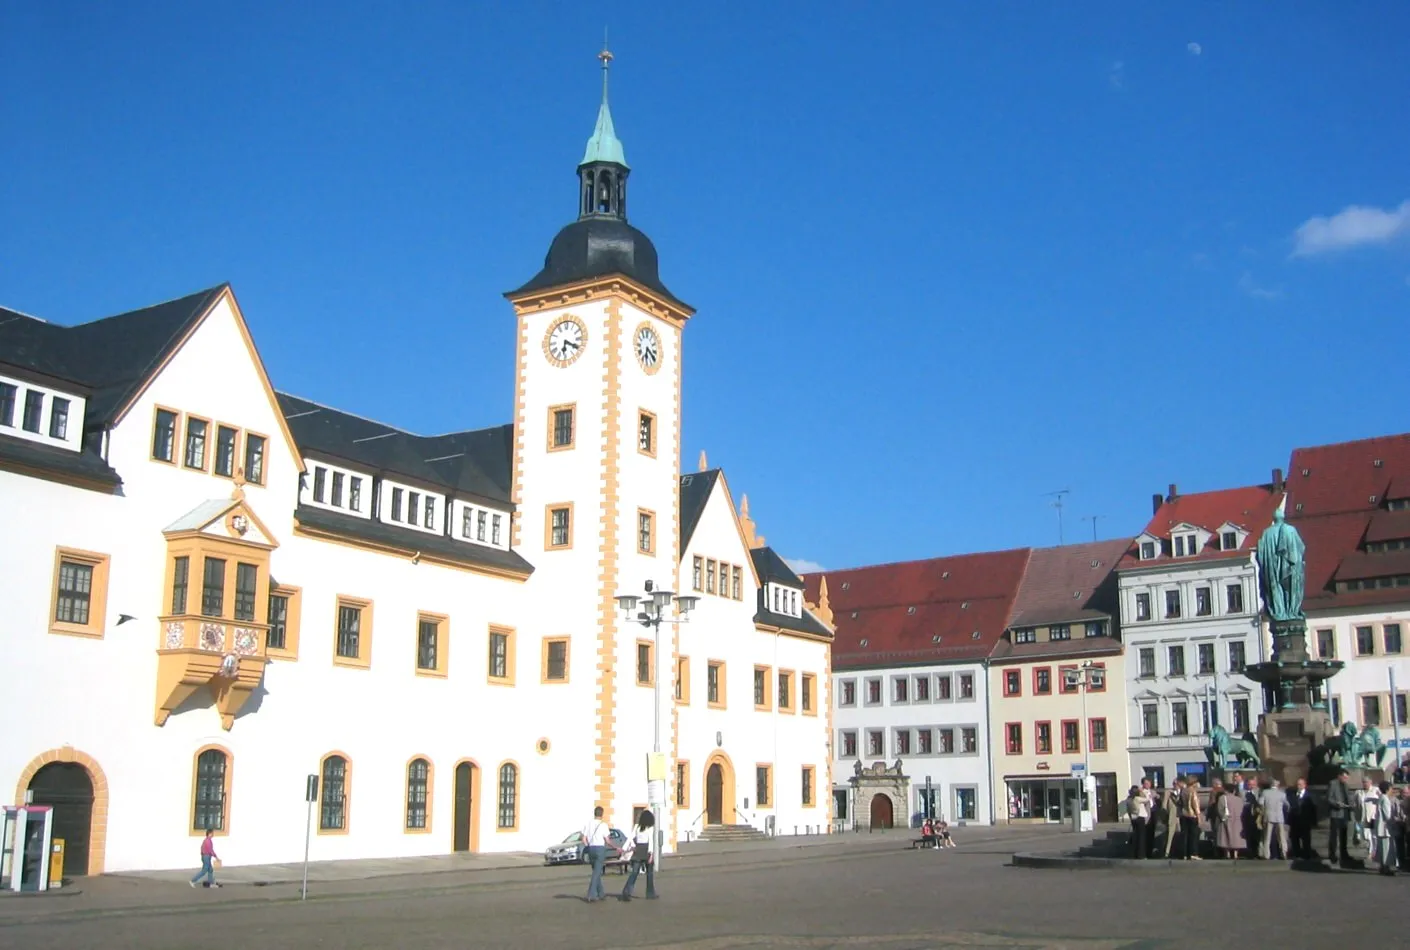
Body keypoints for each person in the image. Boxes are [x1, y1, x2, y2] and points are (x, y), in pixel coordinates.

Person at [619, 810, 658, 901]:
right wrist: (651, 854)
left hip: (638, 851)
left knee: (634, 873)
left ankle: (626, 892)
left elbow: (630, 838)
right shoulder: (650, 828)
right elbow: (651, 841)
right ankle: (650, 893)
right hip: (646, 850)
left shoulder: (637, 827)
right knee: (649, 874)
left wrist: (624, 848)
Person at [582, 805, 610, 903]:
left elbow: (583, 839)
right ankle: (591, 894)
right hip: (600, 849)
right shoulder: (603, 825)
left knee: (596, 871)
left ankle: (601, 893)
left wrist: (587, 846)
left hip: (591, 848)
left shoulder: (588, 824)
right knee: (597, 873)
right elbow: (607, 839)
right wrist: (614, 846)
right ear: (602, 814)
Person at [1326, 768, 1352, 865]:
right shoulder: (1333, 783)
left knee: (1344, 835)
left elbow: (1348, 797)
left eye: (1347, 778)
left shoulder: (1345, 785)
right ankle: (1332, 854)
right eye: (1344, 777)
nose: (1345, 779)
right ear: (1339, 776)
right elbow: (1329, 798)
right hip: (1336, 813)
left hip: (1344, 812)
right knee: (1334, 835)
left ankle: (1344, 854)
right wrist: (1337, 804)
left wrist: (1350, 804)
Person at [1259, 779, 1289, 860]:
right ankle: (1284, 852)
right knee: (1282, 836)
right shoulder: (1282, 794)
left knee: (1267, 837)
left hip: (1268, 816)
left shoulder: (1265, 792)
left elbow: (1260, 803)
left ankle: (1266, 854)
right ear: (1278, 785)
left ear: (1270, 785)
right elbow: (1287, 805)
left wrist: (1264, 811)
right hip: (1279, 817)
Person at [1288, 777, 1317, 859]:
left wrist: (1313, 822)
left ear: (1305, 785)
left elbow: (1313, 809)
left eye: (1300, 784)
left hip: (1305, 821)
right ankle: (1296, 854)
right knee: (1295, 839)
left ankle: (1306, 854)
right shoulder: (1293, 795)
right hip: (1295, 822)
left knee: (1306, 839)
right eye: (1298, 784)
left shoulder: (1309, 796)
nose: (1299, 786)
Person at [1374, 781, 1398, 876]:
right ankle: (1385, 867)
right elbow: (1388, 815)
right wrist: (1395, 819)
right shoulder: (1385, 799)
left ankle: (1382, 866)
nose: (1392, 790)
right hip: (1385, 828)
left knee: (1382, 848)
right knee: (1386, 848)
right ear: (1387, 789)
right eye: (1391, 788)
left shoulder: (1381, 798)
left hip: (1381, 827)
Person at [1179, 777, 1203, 860]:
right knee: (1193, 836)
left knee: (1185, 835)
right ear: (1194, 783)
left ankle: (1185, 854)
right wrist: (1199, 817)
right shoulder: (1193, 791)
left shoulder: (1183, 791)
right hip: (1192, 815)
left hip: (1184, 814)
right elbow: (1195, 805)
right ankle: (1193, 853)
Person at [1124, 785, 1149, 859]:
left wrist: (1130, 818)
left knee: (1135, 836)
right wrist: (1142, 791)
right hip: (1140, 817)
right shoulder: (1137, 799)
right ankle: (1141, 855)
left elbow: (1128, 810)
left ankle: (1134, 853)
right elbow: (1147, 799)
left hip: (1133, 818)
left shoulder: (1128, 799)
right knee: (1141, 837)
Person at [1140, 778, 1158, 858]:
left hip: (1153, 812)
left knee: (1152, 832)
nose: (1148, 785)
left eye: (1149, 783)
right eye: (1146, 783)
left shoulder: (1152, 791)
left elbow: (1158, 796)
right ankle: (1145, 852)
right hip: (1146, 814)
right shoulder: (1141, 792)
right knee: (1145, 833)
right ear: (1143, 784)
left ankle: (1150, 850)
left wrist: (1155, 796)